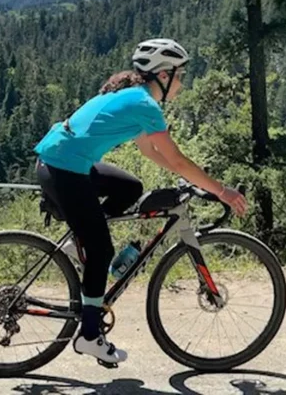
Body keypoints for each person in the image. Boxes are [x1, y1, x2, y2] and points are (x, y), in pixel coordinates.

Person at [33, 38, 248, 366]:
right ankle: (89, 335)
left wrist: (192, 180)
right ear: (163, 75)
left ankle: (81, 242)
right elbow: (176, 160)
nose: (181, 83)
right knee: (102, 251)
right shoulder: (145, 104)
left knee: (130, 187)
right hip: (64, 168)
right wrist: (221, 190)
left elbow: (151, 152)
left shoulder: (135, 99)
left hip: (63, 160)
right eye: (179, 76)